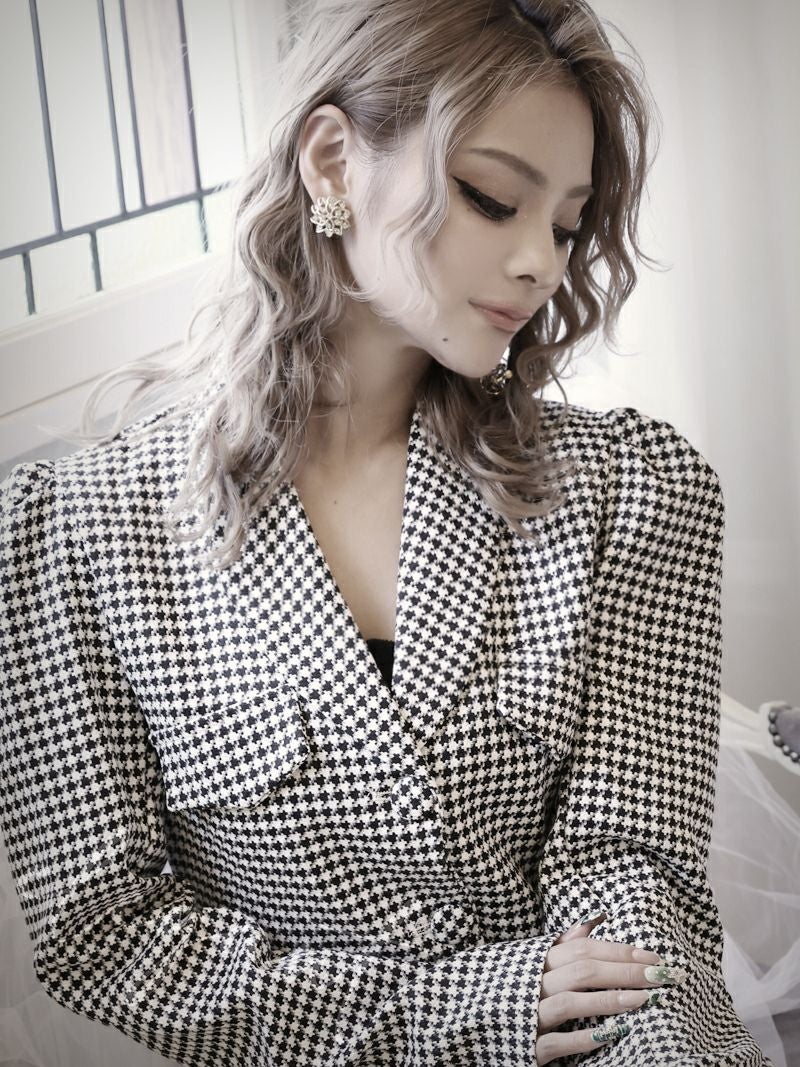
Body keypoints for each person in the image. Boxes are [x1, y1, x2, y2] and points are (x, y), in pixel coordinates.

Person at [0, 0, 775, 1064]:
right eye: (492, 197)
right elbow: (106, 933)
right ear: (331, 162)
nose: (540, 264)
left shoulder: (633, 492)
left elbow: (630, 878)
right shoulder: (73, 535)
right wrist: (462, 1010)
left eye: (565, 225)